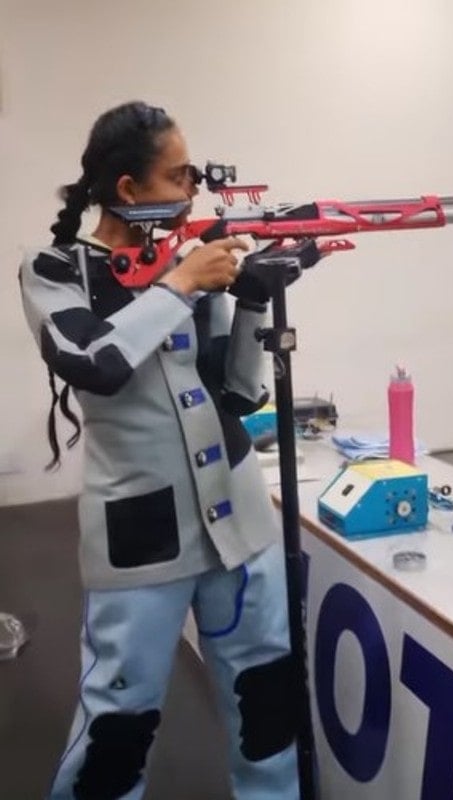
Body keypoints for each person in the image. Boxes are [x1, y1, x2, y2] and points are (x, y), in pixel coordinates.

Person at [19, 100, 300, 800]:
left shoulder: (182, 264)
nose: (191, 192)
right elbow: (94, 361)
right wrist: (180, 284)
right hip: (141, 537)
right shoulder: (56, 269)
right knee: (119, 724)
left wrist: (256, 300)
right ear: (129, 190)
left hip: (239, 522)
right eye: (179, 177)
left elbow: (234, 398)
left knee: (266, 704)